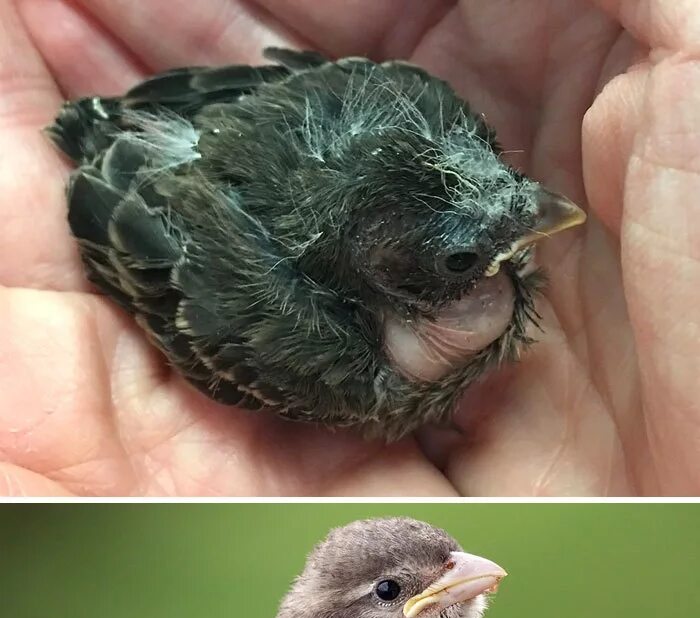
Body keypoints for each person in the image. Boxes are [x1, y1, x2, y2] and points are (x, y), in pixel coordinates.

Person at [0, 0, 697, 497]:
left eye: (502, 174)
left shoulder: (424, 112)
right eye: (458, 259)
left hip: (204, 135)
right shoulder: (323, 350)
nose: (539, 208)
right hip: (164, 187)